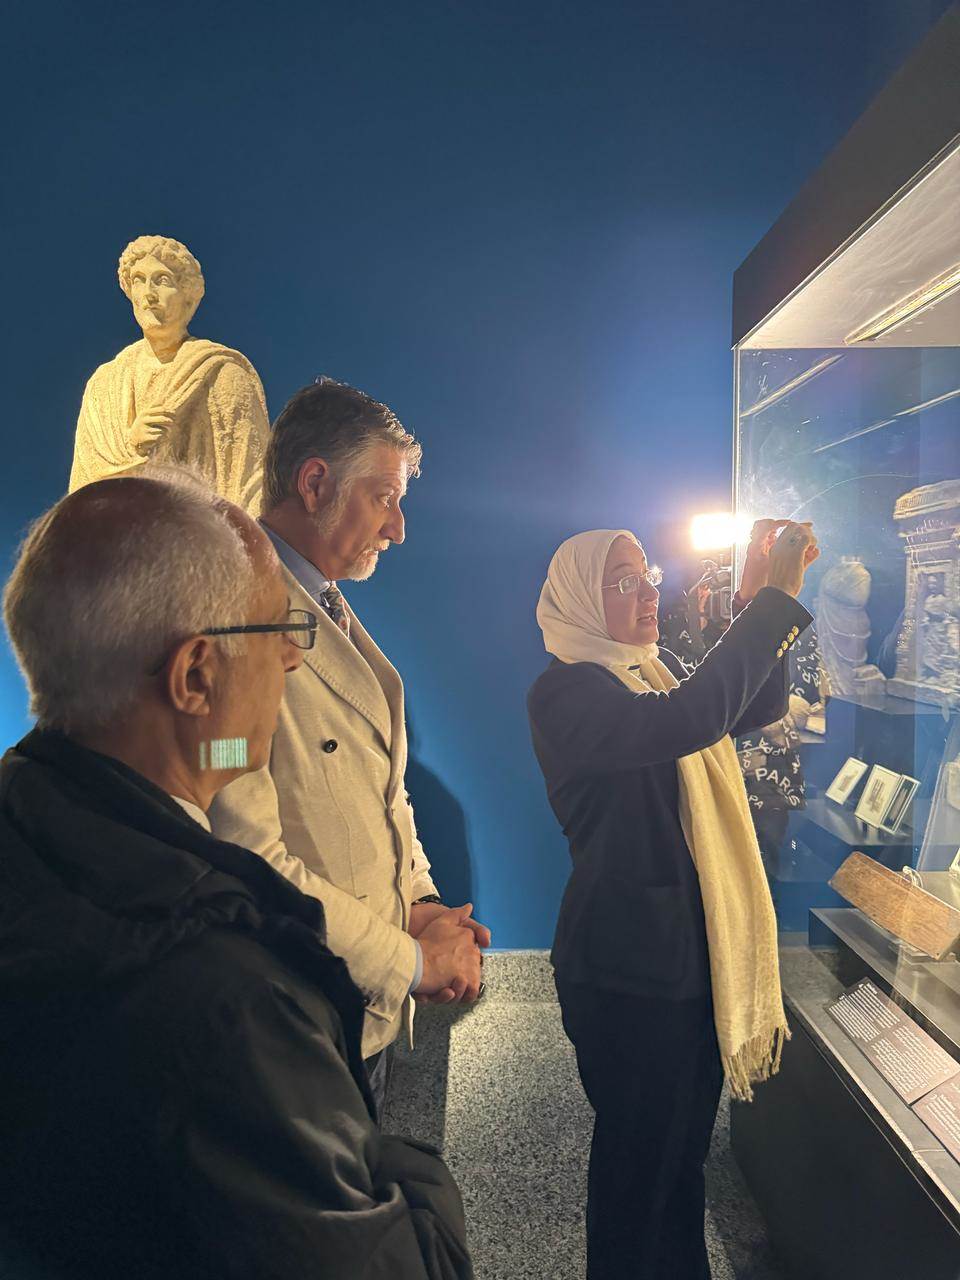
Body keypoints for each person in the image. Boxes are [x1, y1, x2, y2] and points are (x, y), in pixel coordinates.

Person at [0, 472, 472, 1280]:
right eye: (277, 627)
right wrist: (401, 1163)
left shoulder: (32, 811)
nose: (292, 655)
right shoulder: (235, 1000)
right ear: (195, 676)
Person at [526, 519, 818, 1280]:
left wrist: (753, 601)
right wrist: (774, 603)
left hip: (688, 959)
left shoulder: (649, 671)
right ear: (579, 600)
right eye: (623, 582)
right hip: (628, 971)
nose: (648, 592)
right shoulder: (566, 692)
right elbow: (695, 718)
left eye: (648, 575)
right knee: (638, 1170)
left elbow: (753, 706)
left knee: (681, 1159)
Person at [209, 378, 489, 1115]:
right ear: (314, 484)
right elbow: (246, 856)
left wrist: (419, 900)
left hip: (360, 1000)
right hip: (293, 1011)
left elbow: (381, 793)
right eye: (384, 497)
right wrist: (411, 959)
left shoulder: (321, 599)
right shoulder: (234, 617)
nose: (398, 528)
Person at [69, 235, 270, 512]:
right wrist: (133, 450)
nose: (148, 293)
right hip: (114, 535)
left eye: (162, 280)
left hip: (199, 533)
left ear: (187, 296)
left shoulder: (224, 373)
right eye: (139, 280)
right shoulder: (104, 386)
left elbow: (250, 487)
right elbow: (79, 495)